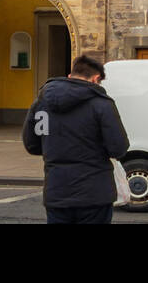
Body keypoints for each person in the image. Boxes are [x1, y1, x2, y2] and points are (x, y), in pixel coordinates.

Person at [22, 53, 129, 224]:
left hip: (57, 190)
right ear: (95, 79)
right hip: (94, 192)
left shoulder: (41, 104)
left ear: (70, 76)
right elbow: (119, 148)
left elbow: (31, 144)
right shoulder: (102, 104)